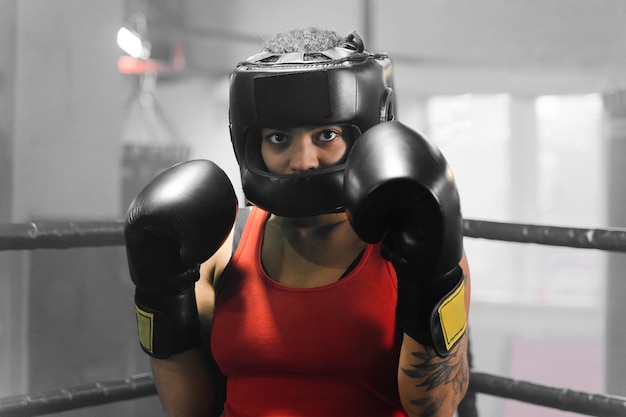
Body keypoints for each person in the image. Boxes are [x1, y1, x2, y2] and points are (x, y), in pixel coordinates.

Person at [124, 27, 472, 417]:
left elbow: (435, 409)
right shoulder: (226, 245)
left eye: (326, 135)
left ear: (364, 135)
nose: (302, 160)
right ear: (249, 142)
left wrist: (430, 281)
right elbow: (188, 410)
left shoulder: (406, 243)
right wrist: (160, 295)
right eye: (278, 139)